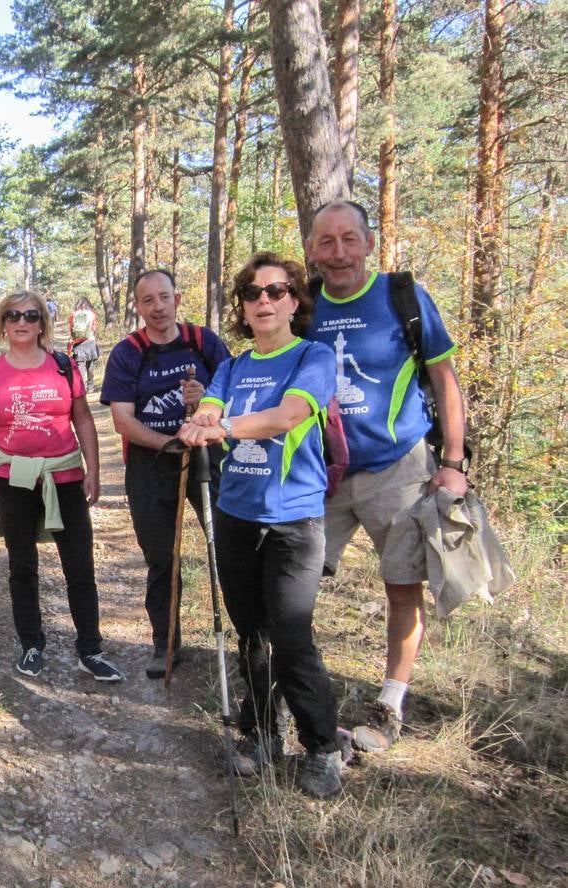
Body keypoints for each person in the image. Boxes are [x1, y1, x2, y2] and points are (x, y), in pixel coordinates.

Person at [304, 200, 468, 753]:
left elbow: (444, 380)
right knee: (292, 585)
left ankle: (391, 702)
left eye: (349, 239)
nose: (339, 253)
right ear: (311, 250)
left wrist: (452, 462)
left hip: (397, 470)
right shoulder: (302, 306)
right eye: (326, 242)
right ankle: (296, 691)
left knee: (402, 586)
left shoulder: (402, 297)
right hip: (320, 473)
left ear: (369, 243)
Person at [178, 251, 343, 798]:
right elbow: (209, 411)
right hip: (236, 515)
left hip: (293, 519)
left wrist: (220, 423)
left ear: (295, 300)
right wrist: (200, 418)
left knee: (293, 638)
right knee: (251, 632)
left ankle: (321, 747)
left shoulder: (312, 358)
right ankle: (262, 734)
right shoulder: (231, 366)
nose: (264, 301)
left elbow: (288, 416)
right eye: (253, 294)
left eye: (276, 291)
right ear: (243, 309)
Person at [0, 292, 124, 682]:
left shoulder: (64, 367)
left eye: (31, 315)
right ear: (2, 323)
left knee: (79, 565)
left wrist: (93, 470)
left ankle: (90, 649)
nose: (22, 321)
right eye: (13, 315)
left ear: (42, 323)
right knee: (22, 566)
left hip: (64, 476)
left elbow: (82, 420)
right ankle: (31, 645)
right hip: (13, 479)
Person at [100, 269, 230, 678]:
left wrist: (206, 397)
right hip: (151, 462)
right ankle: (166, 643)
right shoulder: (127, 353)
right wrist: (168, 443)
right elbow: (123, 420)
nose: (157, 307)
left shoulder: (203, 342)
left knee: (229, 548)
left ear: (176, 298)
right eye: (148, 300)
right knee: (160, 556)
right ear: (138, 307)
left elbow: (234, 392)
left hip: (207, 456)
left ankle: (250, 643)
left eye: (164, 297)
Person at [67, 297, 101, 391]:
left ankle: (82, 387)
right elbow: (94, 328)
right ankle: (91, 386)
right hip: (90, 341)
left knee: (80, 366)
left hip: (78, 343)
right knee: (90, 365)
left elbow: (70, 328)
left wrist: (75, 337)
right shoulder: (92, 314)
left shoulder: (73, 314)